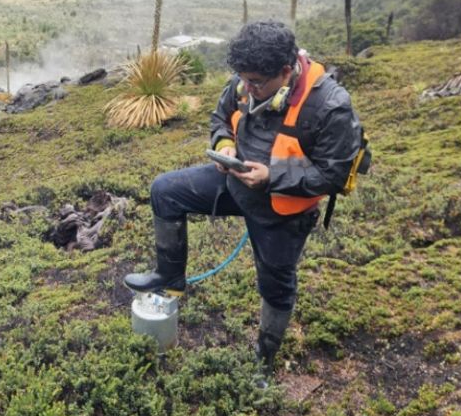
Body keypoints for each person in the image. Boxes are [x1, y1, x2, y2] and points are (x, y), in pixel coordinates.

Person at [124, 20, 364, 378]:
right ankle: (169, 278)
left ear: (285, 71)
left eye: (256, 82)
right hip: (235, 184)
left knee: (276, 287)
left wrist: (272, 177)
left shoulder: (330, 106)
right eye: (243, 79)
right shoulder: (244, 82)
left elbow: (335, 174)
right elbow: (221, 116)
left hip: (283, 210)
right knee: (165, 190)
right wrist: (225, 145)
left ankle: (263, 362)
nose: (247, 88)